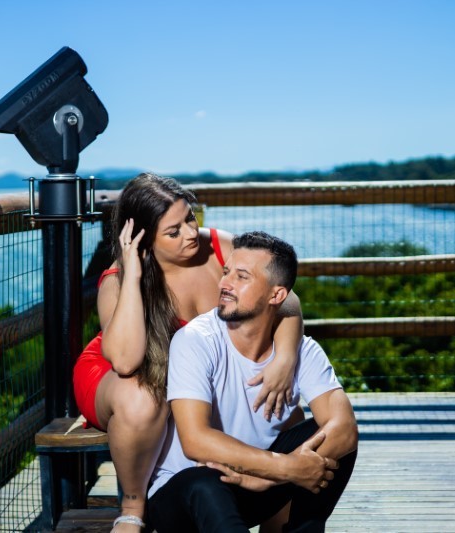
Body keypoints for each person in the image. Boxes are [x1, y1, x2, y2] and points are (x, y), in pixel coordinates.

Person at [72, 174, 306, 532]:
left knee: (286, 408)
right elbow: (125, 362)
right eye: (173, 231)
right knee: (143, 398)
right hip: (121, 378)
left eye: (189, 218)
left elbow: (286, 298)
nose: (190, 233)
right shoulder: (118, 280)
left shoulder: (220, 247)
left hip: (195, 374)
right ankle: (132, 506)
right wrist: (133, 274)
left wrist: (286, 359)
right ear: (142, 239)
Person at [146, 231, 359, 533]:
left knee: (329, 440)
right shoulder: (195, 340)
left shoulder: (302, 351)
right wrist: (284, 468)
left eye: (242, 277)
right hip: (184, 494)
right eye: (226, 272)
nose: (224, 283)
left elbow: (345, 429)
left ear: (276, 295)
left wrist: (267, 476)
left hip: (254, 483)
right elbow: (195, 440)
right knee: (205, 483)